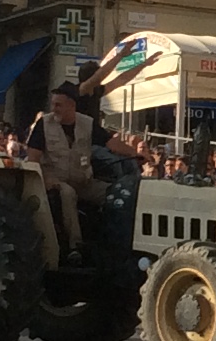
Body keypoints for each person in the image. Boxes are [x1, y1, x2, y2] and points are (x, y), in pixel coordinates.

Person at [21, 82, 139, 253]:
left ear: (72, 105)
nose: (54, 109)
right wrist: (45, 180)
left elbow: (111, 143)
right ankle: (75, 247)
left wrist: (135, 153)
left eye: (58, 105)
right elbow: (32, 159)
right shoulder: (43, 125)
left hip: (84, 181)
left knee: (117, 194)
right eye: (53, 104)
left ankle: (114, 244)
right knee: (68, 194)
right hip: (55, 182)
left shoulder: (87, 124)